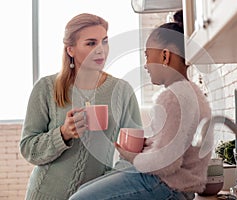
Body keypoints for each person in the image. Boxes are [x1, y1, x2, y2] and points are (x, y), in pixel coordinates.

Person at [69, 10, 212, 200]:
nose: (145, 65)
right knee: (82, 191)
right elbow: (175, 145)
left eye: (147, 56)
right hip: (179, 186)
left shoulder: (173, 97)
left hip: (167, 186)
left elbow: (166, 164)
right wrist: (149, 145)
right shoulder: (191, 92)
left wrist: (131, 156)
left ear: (164, 57)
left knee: (78, 199)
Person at [20, 13, 142, 200]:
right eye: (91, 43)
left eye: (105, 41)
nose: (101, 50)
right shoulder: (46, 88)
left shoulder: (122, 91)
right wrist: (63, 133)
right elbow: (29, 149)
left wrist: (109, 184)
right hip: (46, 194)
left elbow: (133, 151)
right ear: (71, 50)